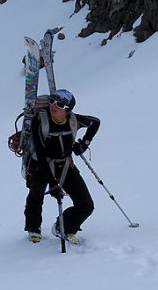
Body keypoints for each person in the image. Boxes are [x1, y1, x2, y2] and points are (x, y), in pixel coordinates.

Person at [24, 89, 100, 244]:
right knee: (36, 197)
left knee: (86, 205)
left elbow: (95, 123)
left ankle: (64, 227)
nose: (54, 106)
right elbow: (40, 151)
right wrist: (53, 184)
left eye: (60, 104)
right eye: (52, 101)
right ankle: (33, 229)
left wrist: (84, 144)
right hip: (40, 165)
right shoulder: (39, 121)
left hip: (65, 165)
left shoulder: (74, 120)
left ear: (68, 109)